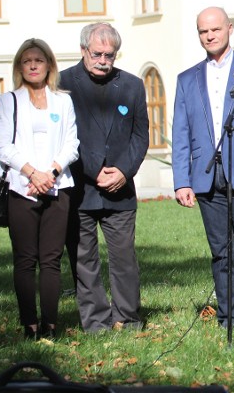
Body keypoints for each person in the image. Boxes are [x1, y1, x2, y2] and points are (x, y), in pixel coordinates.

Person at [172, 7, 234, 329]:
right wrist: (181, 181)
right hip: (206, 176)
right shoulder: (187, 79)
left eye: (215, 29)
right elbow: (180, 132)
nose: (209, 36)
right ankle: (230, 316)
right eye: (203, 31)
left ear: (229, 29)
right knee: (220, 252)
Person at [60, 23, 149, 333]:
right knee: (84, 260)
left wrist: (123, 172)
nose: (102, 60)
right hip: (80, 187)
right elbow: (65, 137)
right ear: (83, 50)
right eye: (96, 53)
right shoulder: (62, 84)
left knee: (125, 259)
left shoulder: (133, 85)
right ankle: (95, 321)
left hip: (120, 189)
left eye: (109, 55)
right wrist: (94, 169)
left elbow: (141, 136)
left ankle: (128, 317)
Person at [0, 39, 79, 340]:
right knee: (26, 260)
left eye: (38, 60)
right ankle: (30, 325)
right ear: (19, 66)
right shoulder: (9, 101)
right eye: (26, 61)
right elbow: (4, 148)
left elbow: (72, 144)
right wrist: (32, 173)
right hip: (21, 188)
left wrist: (51, 173)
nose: (32, 65)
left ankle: (51, 326)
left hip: (59, 187)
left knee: (51, 260)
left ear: (48, 66)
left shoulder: (63, 101)